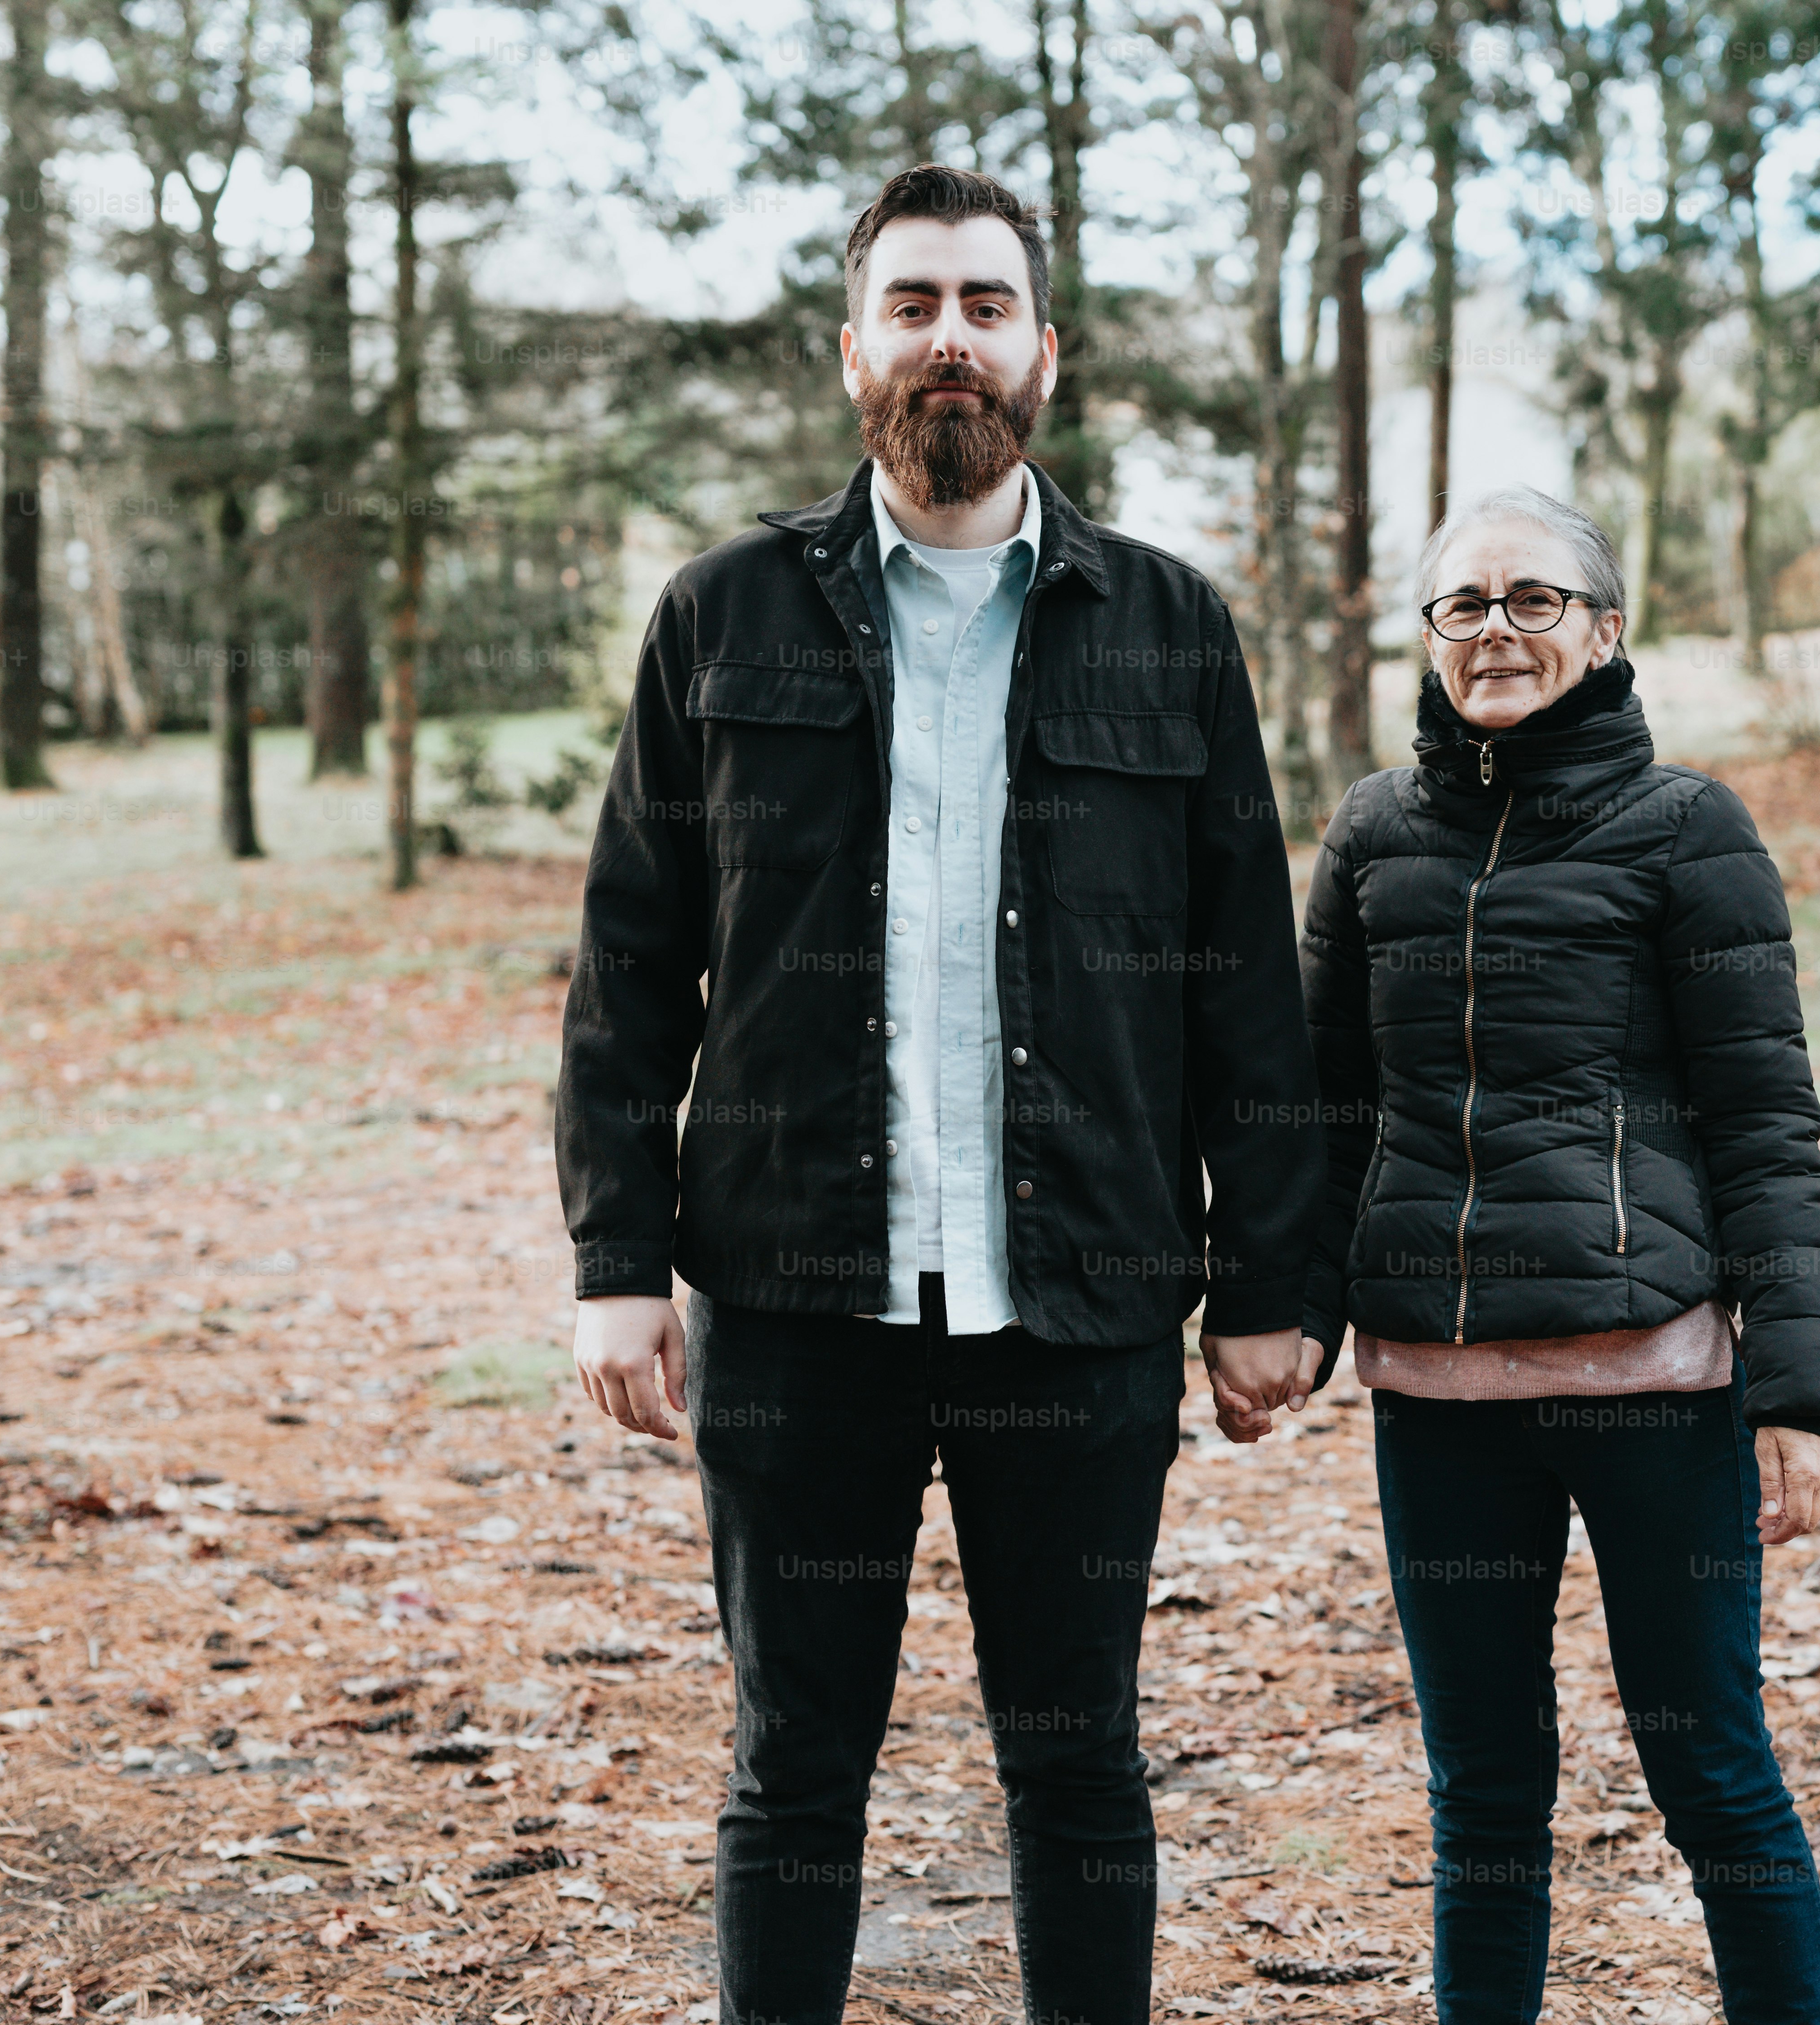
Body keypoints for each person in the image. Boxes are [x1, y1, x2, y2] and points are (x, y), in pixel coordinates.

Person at [555, 163, 1325, 2025]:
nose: (951, 339)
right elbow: (630, 966)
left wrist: (1270, 1280)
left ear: (1047, 352)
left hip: (1081, 1300)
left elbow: (1247, 985)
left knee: (1080, 1764)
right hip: (798, 1298)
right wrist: (617, 1259)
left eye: (987, 304)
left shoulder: (1171, 626)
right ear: (855, 353)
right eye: (913, 305)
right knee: (793, 1766)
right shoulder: (719, 617)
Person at [1280, 485, 1820, 2025]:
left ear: (1605, 631)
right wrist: (1285, 1315)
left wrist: (1799, 1388)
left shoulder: (1687, 830)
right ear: (1429, 636)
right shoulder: (1371, 834)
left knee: (1710, 1768)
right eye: (1464, 605)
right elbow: (1324, 1115)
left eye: (1533, 600)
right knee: (1481, 1791)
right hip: (1438, 1400)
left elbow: (1764, 1122)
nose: (1497, 632)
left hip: (1652, 1388)